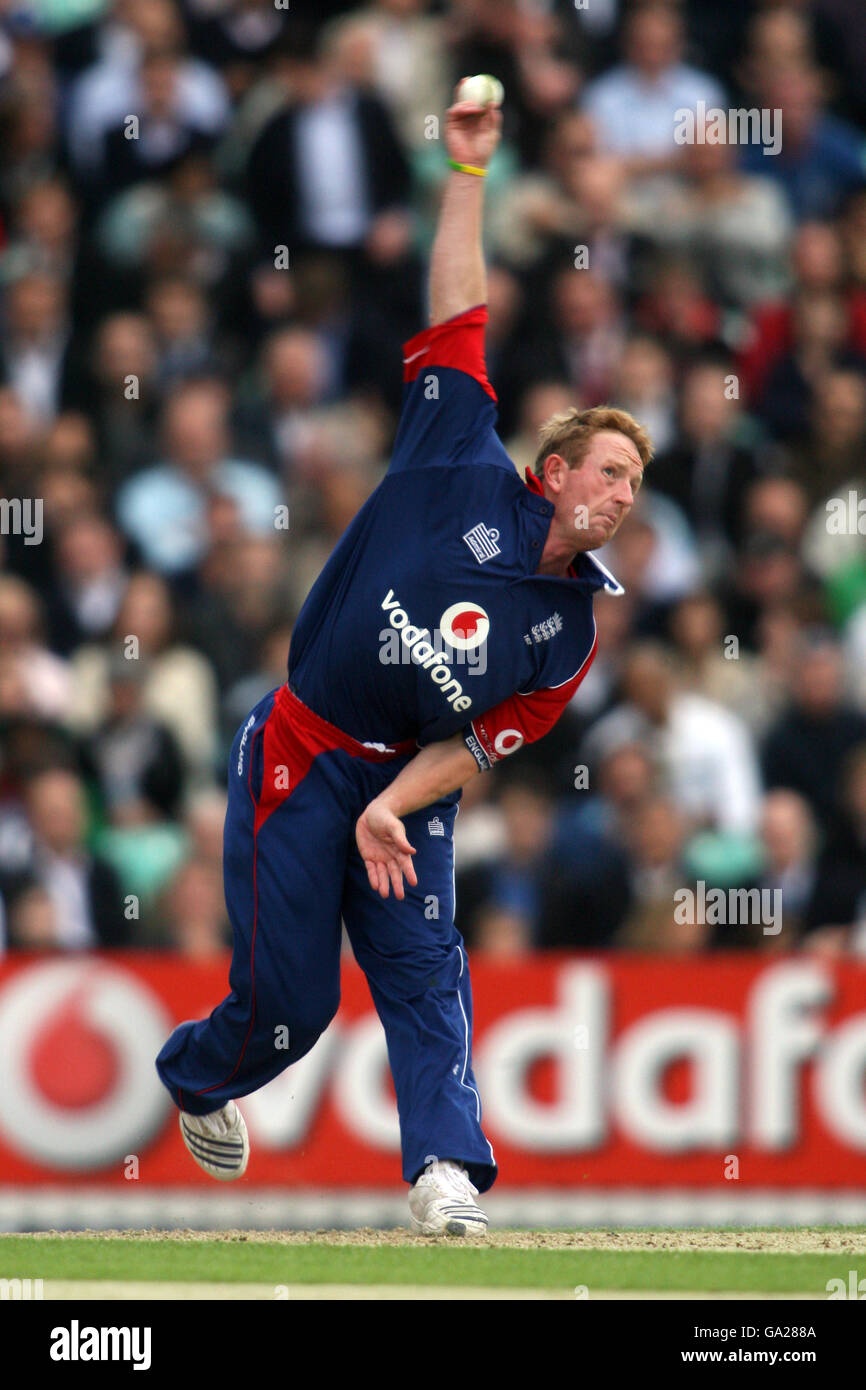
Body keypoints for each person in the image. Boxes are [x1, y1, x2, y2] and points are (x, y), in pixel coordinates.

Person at [155, 86, 652, 1236]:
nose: (621, 497)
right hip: (298, 745)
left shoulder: (569, 631)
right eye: (608, 470)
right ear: (556, 464)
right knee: (290, 1009)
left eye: (634, 484)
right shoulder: (453, 450)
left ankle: (445, 1177)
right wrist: (467, 176)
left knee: (427, 975)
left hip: (403, 787)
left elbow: (477, 744)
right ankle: (195, 1073)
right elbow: (458, 306)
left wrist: (394, 806)